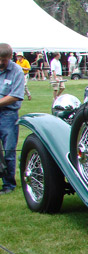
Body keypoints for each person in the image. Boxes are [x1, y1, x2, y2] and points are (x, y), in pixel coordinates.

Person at [0, 43, 25, 195]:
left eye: (4, 59)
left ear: (10, 57)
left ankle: (9, 185)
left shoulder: (17, 71)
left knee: (9, 151)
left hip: (8, 115)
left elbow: (16, 95)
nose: (1, 62)